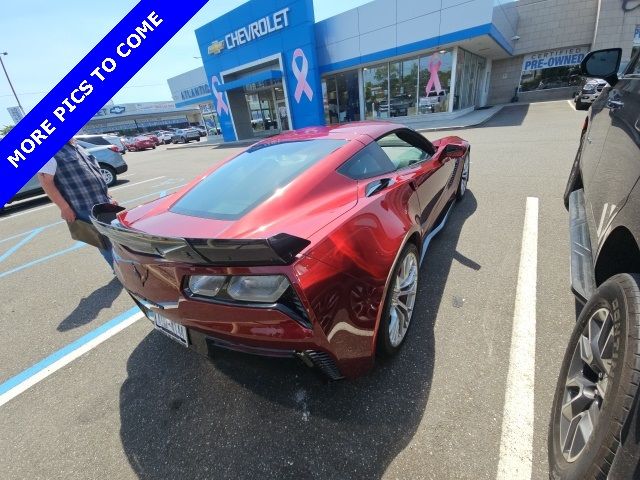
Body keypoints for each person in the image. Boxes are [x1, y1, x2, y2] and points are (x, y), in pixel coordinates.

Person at [37, 138, 117, 267]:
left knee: (115, 236)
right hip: (83, 206)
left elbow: (93, 170)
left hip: (103, 201)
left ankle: (125, 270)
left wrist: (107, 196)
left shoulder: (76, 145)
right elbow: (46, 182)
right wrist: (64, 207)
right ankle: (120, 273)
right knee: (104, 242)